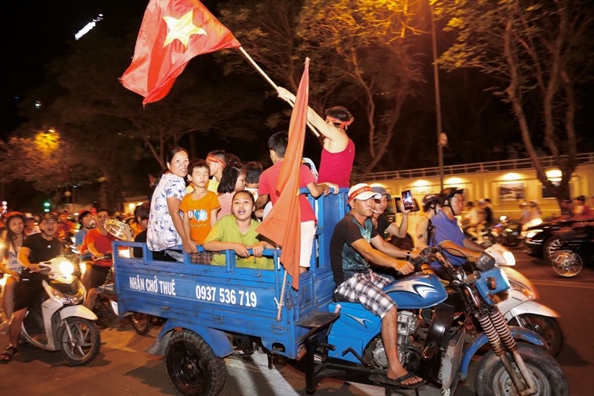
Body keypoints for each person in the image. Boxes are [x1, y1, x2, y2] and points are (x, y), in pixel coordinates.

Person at [330, 183, 422, 389]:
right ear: (352, 203)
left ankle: (403, 341)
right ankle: (393, 366)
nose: (372, 203)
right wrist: (396, 263)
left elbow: (382, 246)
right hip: (348, 281)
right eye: (366, 199)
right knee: (389, 307)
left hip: (365, 275)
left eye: (373, 199)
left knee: (404, 290)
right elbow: (370, 253)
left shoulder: (367, 224)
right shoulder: (348, 225)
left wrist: (408, 255)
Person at [256, 132, 337, 273]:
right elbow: (315, 192)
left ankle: (288, 292)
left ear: (272, 153)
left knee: (286, 260)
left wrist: (254, 205)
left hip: (283, 222)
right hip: (305, 219)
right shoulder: (302, 169)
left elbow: (262, 200)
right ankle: (301, 293)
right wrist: (325, 186)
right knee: (301, 264)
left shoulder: (266, 174)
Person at [0, 212, 63, 363]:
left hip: (51, 278)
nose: (50, 225)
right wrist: (29, 265)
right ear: (40, 225)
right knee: (19, 314)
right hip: (31, 278)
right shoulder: (32, 239)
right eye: (46, 222)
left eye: (53, 222)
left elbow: (61, 259)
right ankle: (12, 345)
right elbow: (23, 255)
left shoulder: (58, 243)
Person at [277, 87, 355, 188]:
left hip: (331, 192)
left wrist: (291, 96)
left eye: (326, 121)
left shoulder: (337, 135)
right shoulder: (347, 141)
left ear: (330, 122)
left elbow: (313, 118)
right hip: (338, 190)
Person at [204, 191, 275, 269]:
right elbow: (207, 244)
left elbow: (274, 247)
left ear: (253, 207)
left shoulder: (260, 227)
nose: (241, 206)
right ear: (232, 208)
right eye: (237, 202)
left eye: (246, 202)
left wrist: (263, 244)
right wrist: (234, 246)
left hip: (253, 277)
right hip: (223, 273)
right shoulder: (224, 222)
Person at [147, 146, 191, 261]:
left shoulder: (165, 178)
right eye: (178, 161)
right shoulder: (176, 180)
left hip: (157, 241)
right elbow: (174, 212)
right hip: (172, 240)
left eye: (186, 160)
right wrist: (186, 241)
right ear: (168, 165)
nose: (183, 164)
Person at [430, 187, 484, 271]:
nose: (462, 205)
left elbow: (464, 241)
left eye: (462, 201)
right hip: (445, 268)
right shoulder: (438, 220)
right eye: (458, 201)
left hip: (459, 265)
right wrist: (476, 254)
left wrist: (485, 250)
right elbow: (447, 245)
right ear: (446, 202)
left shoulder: (452, 221)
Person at [179, 159, 220, 262]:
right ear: (189, 177)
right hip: (194, 246)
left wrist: (214, 240)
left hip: (209, 245)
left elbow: (213, 220)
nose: (202, 177)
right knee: (195, 273)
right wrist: (188, 240)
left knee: (210, 272)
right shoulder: (186, 198)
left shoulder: (212, 196)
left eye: (205, 174)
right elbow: (186, 222)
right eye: (198, 174)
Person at [83, 209, 116, 311]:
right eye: (100, 217)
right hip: (100, 265)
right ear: (97, 219)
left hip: (115, 266)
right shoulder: (92, 233)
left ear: (109, 218)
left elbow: (124, 245)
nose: (102, 219)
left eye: (105, 216)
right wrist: (97, 253)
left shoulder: (115, 233)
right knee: (93, 291)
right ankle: (84, 320)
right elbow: (90, 246)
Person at [0, 212, 26, 332]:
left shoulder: (29, 239)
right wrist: (10, 272)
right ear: (8, 226)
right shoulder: (5, 242)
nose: (18, 226)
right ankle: (9, 320)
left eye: (20, 223)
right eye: (14, 224)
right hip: (12, 272)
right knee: (9, 285)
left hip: (28, 272)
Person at [75, 210, 95, 289]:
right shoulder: (79, 234)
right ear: (81, 220)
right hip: (87, 258)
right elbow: (81, 251)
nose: (89, 218)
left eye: (90, 216)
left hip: (101, 257)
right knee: (88, 270)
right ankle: (85, 292)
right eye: (86, 216)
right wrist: (92, 249)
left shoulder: (97, 230)